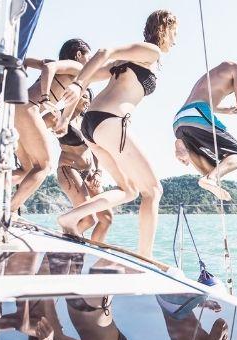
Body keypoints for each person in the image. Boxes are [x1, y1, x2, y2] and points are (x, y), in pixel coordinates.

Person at [56, 10, 179, 258]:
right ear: (164, 29)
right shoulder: (150, 51)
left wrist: (67, 116)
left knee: (129, 190)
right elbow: (104, 52)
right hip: (111, 122)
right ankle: (145, 257)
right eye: (174, 34)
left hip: (92, 125)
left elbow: (92, 76)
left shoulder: (126, 63)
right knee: (153, 191)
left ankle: (70, 218)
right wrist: (78, 84)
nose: (175, 41)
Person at [11, 38, 92, 214]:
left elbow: (26, 62)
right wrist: (45, 98)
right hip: (29, 108)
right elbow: (49, 68)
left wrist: (20, 85)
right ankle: (9, 210)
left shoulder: (59, 64)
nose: (90, 63)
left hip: (16, 108)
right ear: (79, 55)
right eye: (89, 57)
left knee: (26, 170)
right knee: (44, 165)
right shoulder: (77, 67)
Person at [172, 55, 237, 201]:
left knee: (212, 169)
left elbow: (208, 101)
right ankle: (210, 178)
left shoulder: (221, 71)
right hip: (196, 114)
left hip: (180, 120)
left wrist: (226, 110)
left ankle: (186, 148)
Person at [55, 89, 113, 242]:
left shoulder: (87, 121)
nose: (86, 100)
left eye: (88, 97)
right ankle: (64, 245)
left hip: (88, 173)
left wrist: (98, 172)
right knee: (88, 219)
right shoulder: (59, 116)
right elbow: (37, 124)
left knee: (106, 218)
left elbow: (96, 148)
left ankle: (96, 254)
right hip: (69, 169)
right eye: (83, 96)